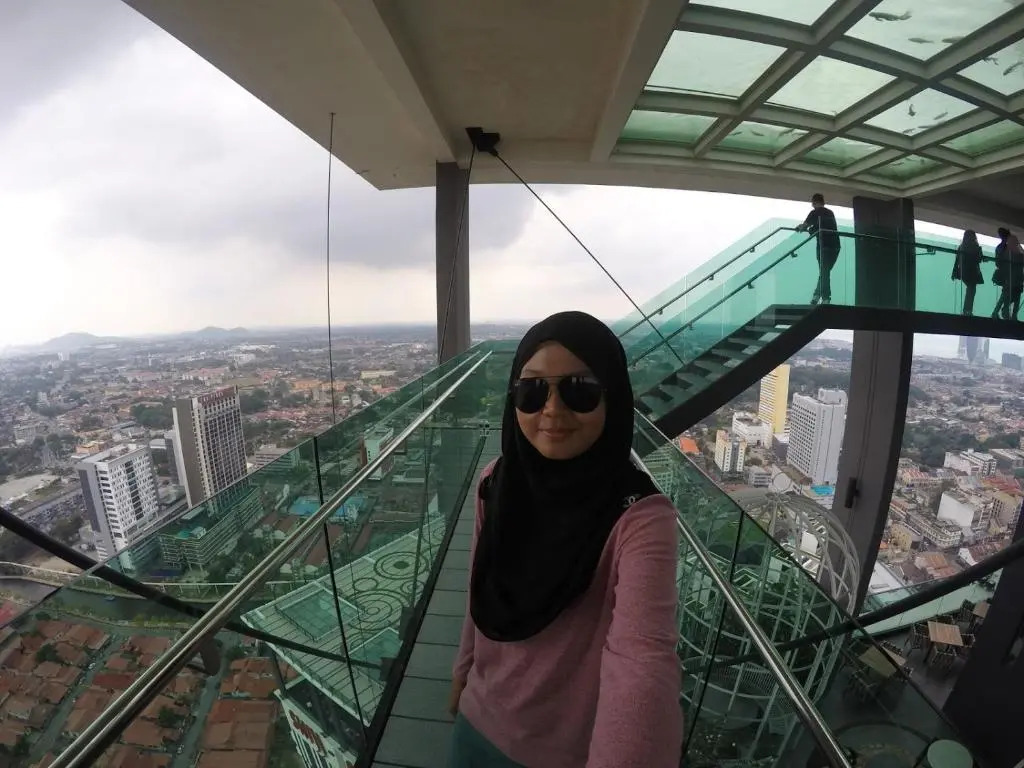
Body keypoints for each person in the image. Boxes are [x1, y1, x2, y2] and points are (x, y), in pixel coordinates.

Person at [448, 311, 683, 768]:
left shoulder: (640, 518)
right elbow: (481, 584)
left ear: (613, 397)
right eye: (532, 391)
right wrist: (463, 669)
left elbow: (643, 661)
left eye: (580, 390)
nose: (553, 410)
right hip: (475, 722)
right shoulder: (496, 482)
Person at [796, 193, 841, 305]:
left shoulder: (814, 212)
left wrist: (800, 227)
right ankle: (817, 295)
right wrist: (813, 228)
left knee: (824, 272)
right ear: (823, 202)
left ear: (814, 202)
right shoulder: (830, 212)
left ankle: (825, 297)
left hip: (824, 246)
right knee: (825, 272)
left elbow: (804, 226)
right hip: (835, 246)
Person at [951, 230, 984, 315]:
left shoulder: (962, 246)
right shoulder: (975, 247)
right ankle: (967, 310)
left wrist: (954, 271)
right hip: (972, 272)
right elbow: (978, 260)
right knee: (972, 290)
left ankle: (967, 310)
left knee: (970, 290)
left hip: (964, 271)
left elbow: (957, 260)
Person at [992, 228, 1013, 320]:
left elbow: (997, 262)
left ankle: (1000, 312)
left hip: (1005, 273)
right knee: (1006, 293)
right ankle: (1001, 312)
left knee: (1006, 293)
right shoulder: (1007, 248)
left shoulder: (1000, 247)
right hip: (1007, 274)